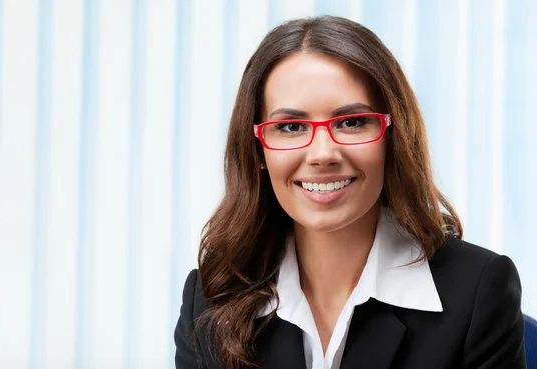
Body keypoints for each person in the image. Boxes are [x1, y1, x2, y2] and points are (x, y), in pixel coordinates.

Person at [174, 16, 526, 369]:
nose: (323, 154)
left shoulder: (478, 292)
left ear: (393, 136)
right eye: (291, 126)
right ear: (257, 150)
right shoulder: (210, 299)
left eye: (352, 122)